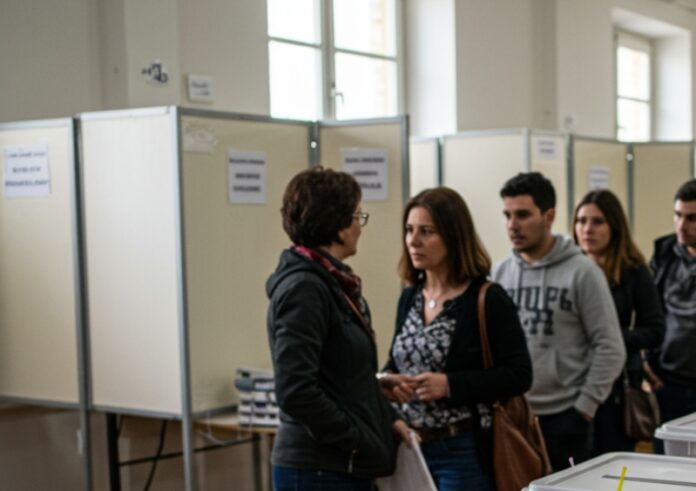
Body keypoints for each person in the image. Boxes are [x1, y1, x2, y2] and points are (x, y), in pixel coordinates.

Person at [379, 187, 532, 491]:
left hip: (462, 450)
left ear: (453, 236)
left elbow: (519, 375)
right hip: (410, 448)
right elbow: (397, 361)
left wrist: (449, 385)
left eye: (426, 232)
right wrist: (387, 380)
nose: (413, 241)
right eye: (409, 230)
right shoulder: (410, 297)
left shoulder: (486, 298)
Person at [266, 167, 409, 491]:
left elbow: (333, 373)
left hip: (337, 464)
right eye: (357, 216)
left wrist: (379, 402)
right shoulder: (306, 288)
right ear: (339, 226)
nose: (360, 227)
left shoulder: (330, 282)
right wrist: (356, 439)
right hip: (320, 468)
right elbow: (295, 391)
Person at [492, 172, 626, 471]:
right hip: (514, 414)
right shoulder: (499, 273)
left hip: (566, 416)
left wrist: (584, 408)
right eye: (507, 215)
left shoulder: (583, 272)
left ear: (548, 216)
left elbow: (610, 346)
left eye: (523, 215)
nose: (512, 225)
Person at [572, 189, 665, 454]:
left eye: (597, 222)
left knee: (612, 461)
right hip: (574, 383)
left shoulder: (634, 272)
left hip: (618, 388)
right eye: (581, 221)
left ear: (614, 226)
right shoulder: (571, 270)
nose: (587, 229)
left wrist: (608, 337)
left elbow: (655, 330)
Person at [647, 178, 696, 452]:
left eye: (692, 218)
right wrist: (645, 360)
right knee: (666, 460)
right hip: (667, 379)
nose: (682, 225)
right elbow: (648, 313)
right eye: (678, 215)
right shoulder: (665, 253)